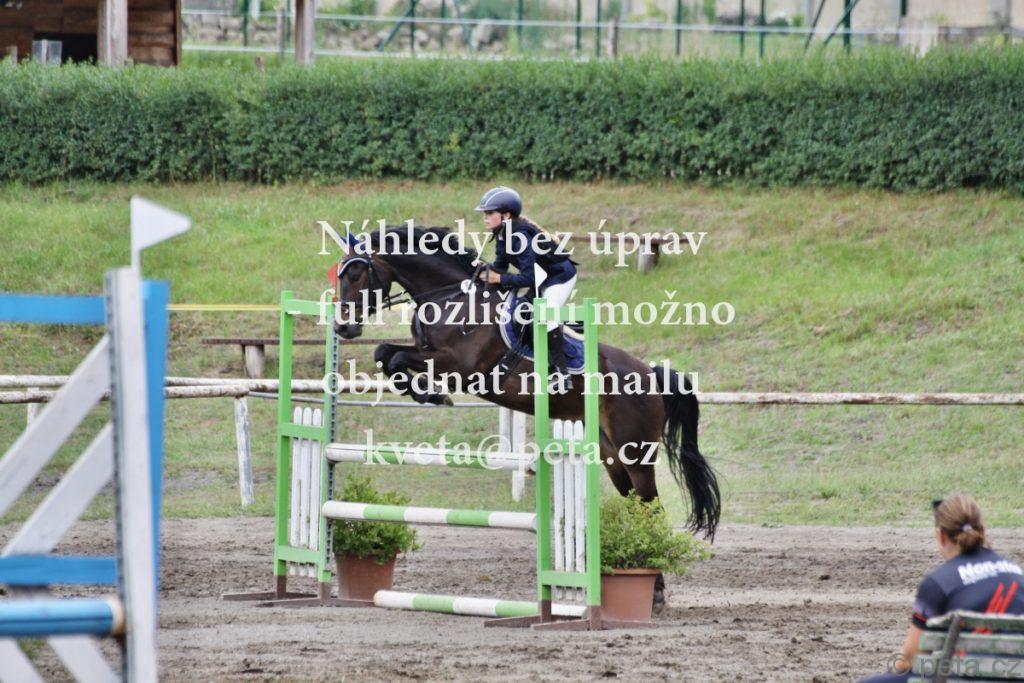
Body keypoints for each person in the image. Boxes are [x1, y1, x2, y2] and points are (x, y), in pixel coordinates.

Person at [860, 494, 1024, 682]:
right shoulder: (1017, 573)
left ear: (941, 536)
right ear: (983, 531)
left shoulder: (939, 582)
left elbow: (909, 660)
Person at [473, 186, 578, 390]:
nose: (485, 218)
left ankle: (561, 373)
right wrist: (481, 270)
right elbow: (500, 267)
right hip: (541, 278)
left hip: (559, 277)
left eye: (489, 213)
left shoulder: (519, 236)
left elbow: (528, 278)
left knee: (546, 315)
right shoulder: (502, 234)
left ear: (506, 215)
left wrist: (498, 278)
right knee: (520, 310)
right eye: (484, 213)